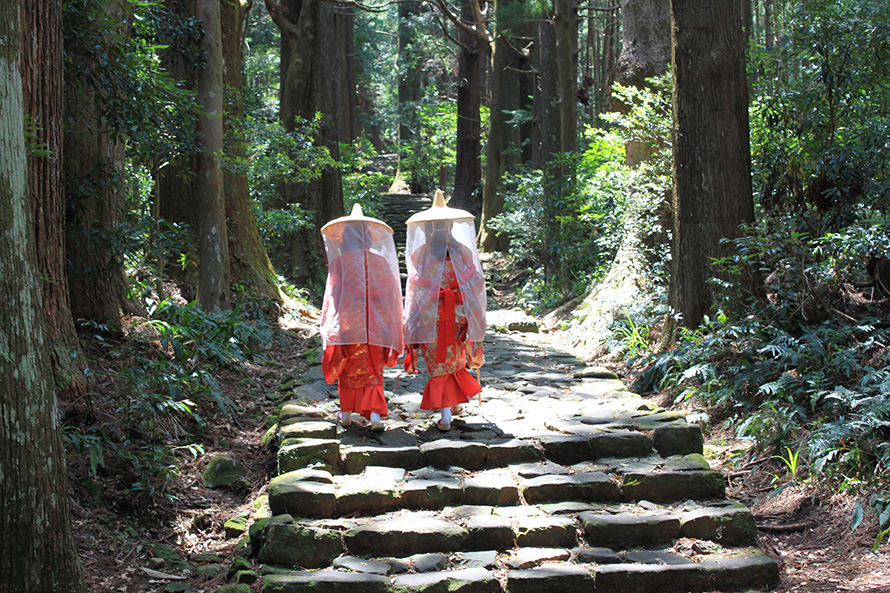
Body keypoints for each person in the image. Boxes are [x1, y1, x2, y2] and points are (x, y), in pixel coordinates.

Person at [403, 189, 486, 431]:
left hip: (431, 316)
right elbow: (474, 282)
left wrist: (413, 316)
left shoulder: (421, 253)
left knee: (439, 361)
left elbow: (417, 286)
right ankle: (455, 405)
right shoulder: (463, 251)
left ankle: (446, 412)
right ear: (450, 226)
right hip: (459, 315)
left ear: (428, 228)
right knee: (454, 359)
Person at [320, 204, 404, 432]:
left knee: (348, 369)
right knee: (373, 369)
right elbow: (390, 295)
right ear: (369, 239)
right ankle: (375, 415)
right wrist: (391, 323)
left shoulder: (339, 263)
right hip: (376, 322)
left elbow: (334, 296)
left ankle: (346, 414)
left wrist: (329, 324)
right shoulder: (382, 262)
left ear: (345, 239)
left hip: (349, 323)